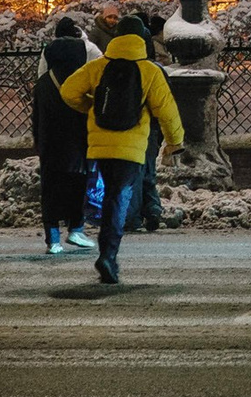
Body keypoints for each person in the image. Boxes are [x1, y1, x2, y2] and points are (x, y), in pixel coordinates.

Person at [57, 25, 185, 284]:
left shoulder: (98, 66)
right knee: (117, 198)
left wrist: (91, 107)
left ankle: (106, 251)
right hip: (132, 150)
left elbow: (68, 91)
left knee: (109, 196)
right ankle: (108, 255)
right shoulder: (149, 71)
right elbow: (167, 111)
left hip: (100, 146)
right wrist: (175, 142)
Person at [31, 20, 94, 254]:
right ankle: (76, 228)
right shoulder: (83, 79)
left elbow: (36, 116)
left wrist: (38, 140)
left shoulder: (44, 83)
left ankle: (52, 237)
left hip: (50, 143)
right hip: (79, 141)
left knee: (50, 188)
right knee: (78, 185)